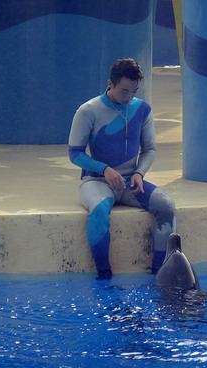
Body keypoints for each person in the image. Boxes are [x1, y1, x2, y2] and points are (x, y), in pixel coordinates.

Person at [68, 58, 176, 280]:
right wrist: (104, 169)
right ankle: (104, 276)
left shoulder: (142, 109)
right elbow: (75, 153)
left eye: (134, 91)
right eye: (124, 91)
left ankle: (159, 274)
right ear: (110, 84)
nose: (129, 96)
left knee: (166, 206)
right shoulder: (88, 110)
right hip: (97, 181)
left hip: (130, 182)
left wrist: (139, 173)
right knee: (99, 211)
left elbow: (149, 149)